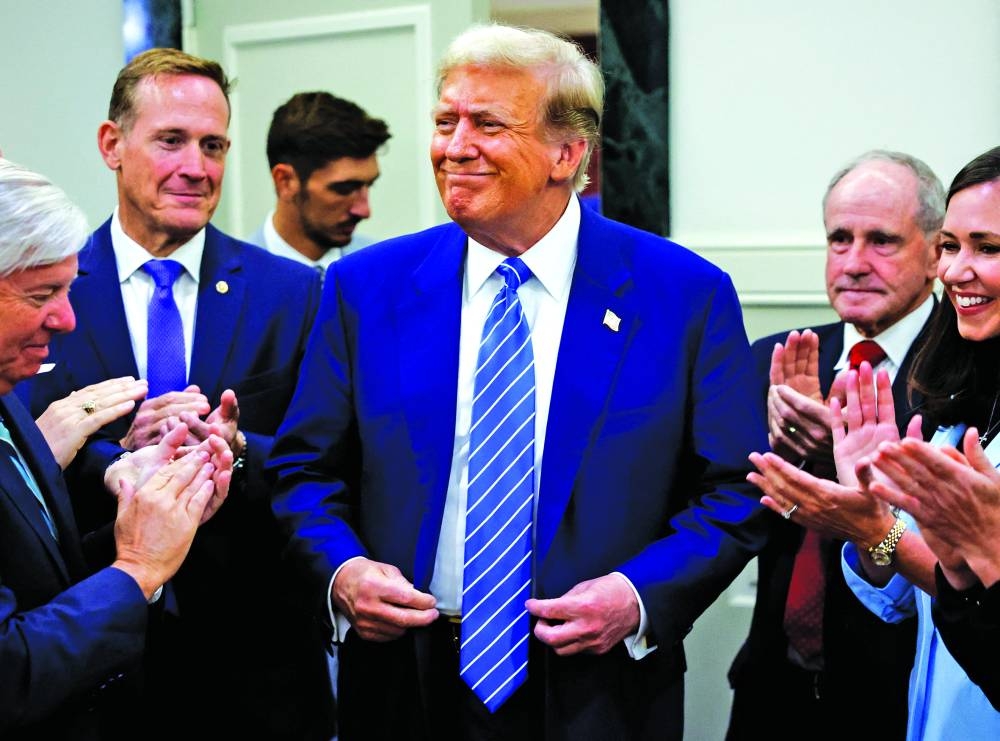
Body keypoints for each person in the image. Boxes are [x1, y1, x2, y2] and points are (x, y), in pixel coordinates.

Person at [268, 23, 770, 741]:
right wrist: (342, 571)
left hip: (599, 690)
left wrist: (637, 597)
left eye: (488, 124)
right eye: (446, 121)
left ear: (567, 154)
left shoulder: (682, 295)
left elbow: (735, 489)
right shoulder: (364, 289)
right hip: (405, 683)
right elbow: (304, 471)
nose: (454, 145)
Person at [14, 49, 333, 739]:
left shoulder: (294, 294)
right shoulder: (48, 292)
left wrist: (238, 450)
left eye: (213, 145)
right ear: (112, 145)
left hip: (258, 675)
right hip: (89, 672)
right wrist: (113, 459)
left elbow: (327, 461)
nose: (198, 166)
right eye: (171, 140)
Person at [748, 146, 1000, 738]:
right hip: (802, 684)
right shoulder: (974, 385)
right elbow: (928, 587)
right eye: (953, 248)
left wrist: (877, 525)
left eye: (988, 248)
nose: (957, 269)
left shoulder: (946, 364)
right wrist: (858, 512)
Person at [0, 157, 231, 739]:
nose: (67, 319)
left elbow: (41, 576)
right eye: (41, 294)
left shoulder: (11, 400)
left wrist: (153, 512)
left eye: (69, 288)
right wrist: (137, 568)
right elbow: (9, 673)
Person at [247, 91, 391, 272]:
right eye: (344, 189)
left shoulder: (382, 270)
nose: (364, 211)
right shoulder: (229, 285)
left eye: (369, 184)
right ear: (285, 181)